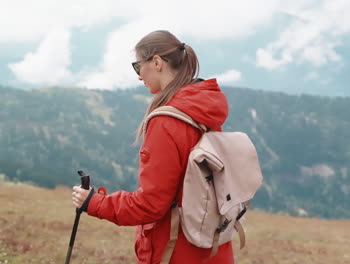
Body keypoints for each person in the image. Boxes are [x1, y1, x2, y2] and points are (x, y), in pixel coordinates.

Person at [72, 30, 234, 264]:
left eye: (138, 67)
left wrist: (94, 202)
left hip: (177, 250)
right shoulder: (204, 109)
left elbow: (151, 205)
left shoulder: (167, 121)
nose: (139, 77)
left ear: (156, 62)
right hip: (213, 246)